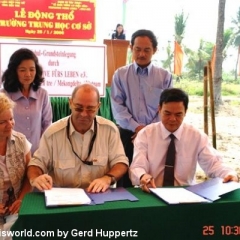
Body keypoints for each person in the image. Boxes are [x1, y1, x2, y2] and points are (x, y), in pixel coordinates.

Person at [129, 88, 238, 192]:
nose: (172, 119)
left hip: (186, 195)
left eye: (178, 114)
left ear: (185, 112)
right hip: (152, 191)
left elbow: (213, 164)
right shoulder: (145, 134)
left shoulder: (196, 136)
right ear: (159, 109)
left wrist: (229, 173)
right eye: (167, 113)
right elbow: (137, 166)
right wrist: (143, 176)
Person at [27, 83, 128, 193]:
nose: (84, 114)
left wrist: (107, 178)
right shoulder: (52, 133)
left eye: (90, 109)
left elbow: (121, 163)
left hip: (99, 196)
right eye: (79, 108)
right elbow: (36, 165)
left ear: (98, 107)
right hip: (62, 199)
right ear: (70, 103)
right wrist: (37, 178)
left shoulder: (110, 130)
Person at [111, 29, 172, 187]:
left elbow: (167, 107)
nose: (141, 54)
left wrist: (147, 131)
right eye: (137, 49)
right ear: (131, 48)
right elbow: (118, 107)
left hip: (157, 135)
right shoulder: (120, 75)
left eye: (147, 50)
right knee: (125, 180)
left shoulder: (164, 76)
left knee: (153, 178)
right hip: (128, 134)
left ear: (155, 50)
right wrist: (138, 128)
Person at [1, 48, 52, 154]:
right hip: (11, 154)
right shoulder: (4, 95)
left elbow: (47, 125)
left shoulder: (43, 94)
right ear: (14, 71)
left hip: (38, 153)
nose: (28, 74)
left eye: (32, 69)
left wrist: (43, 151)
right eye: (22, 70)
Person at [0, 93, 31, 239]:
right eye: (2, 122)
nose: (10, 125)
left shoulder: (21, 141)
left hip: (15, 209)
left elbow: (29, 175)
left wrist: (21, 199)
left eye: (11, 119)